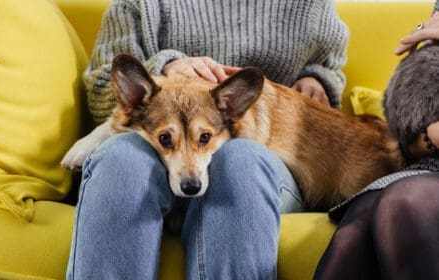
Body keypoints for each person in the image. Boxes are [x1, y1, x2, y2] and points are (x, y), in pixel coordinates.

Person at [66, 0, 348, 279]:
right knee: (121, 159)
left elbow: (328, 66)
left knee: (239, 160)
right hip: (151, 147)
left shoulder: (310, 5)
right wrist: (165, 67)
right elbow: (103, 87)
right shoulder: (137, 4)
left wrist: (318, 80)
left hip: (261, 152)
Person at [314, 2, 439, 279]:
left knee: (406, 202)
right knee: (353, 235)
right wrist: (429, 134)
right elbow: (414, 142)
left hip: (418, 188)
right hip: (425, 169)